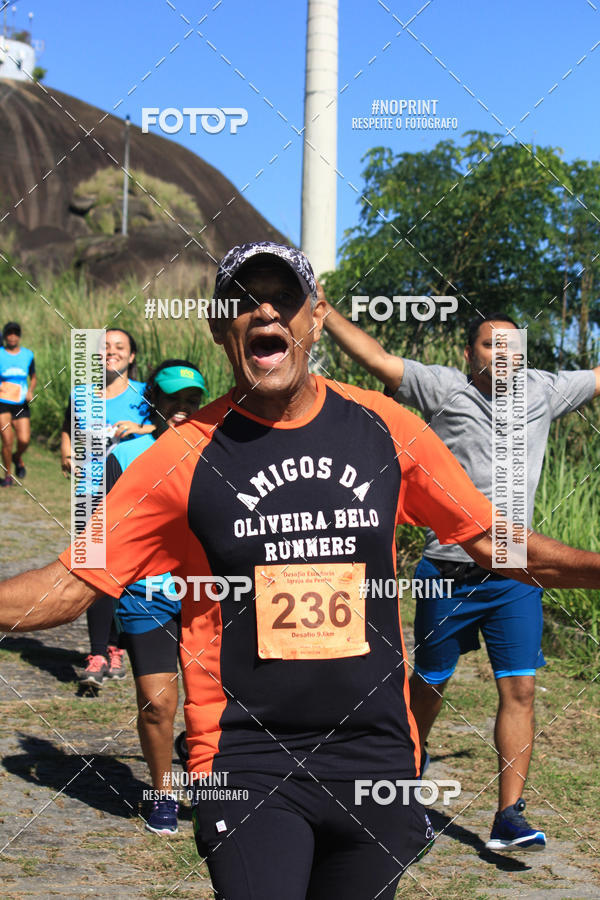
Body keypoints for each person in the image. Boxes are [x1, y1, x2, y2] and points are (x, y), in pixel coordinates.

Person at [3, 243, 600, 899]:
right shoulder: (182, 457)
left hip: (374, 756)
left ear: (316, 318)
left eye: (284, 298)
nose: (264, 312)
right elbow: (68, 585)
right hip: (245, 758)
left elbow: (489, 542)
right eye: (242, 300)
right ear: (218, 329)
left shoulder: (384, 428)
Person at [322, 301, 600, 852]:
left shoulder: (544, 391)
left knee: (519, 688)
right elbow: (376, 358)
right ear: (466, 353)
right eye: (489, 346)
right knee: (428, 687)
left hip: (515, 571)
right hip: (446, 571)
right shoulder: (441, 387)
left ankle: (509, 816)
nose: (503, 357)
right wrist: (323, 309)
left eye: (512, 348)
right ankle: (404, 787)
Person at [106, 359, 207, 835]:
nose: (184, 410)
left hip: (210, 595)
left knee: (217, 703)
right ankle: (163, 794)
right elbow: (98, 534)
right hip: (148, 594)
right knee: (157, 703)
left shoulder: (221, 452)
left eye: (193, 401)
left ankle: (207, 777)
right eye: (173, 401)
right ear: (155, 403)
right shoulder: (126, 457)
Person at [61, 327, 153, 687]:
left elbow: (167, 428)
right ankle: (98, 651)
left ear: (131, 357)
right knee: (93, 571)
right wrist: (67, 453)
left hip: (134, 493)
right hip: (89, 492)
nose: (110, 352)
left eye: (119, 347)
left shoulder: (146, 393)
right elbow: (69, 428)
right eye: (104, 347)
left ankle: (117, 645)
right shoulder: (81, 394)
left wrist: (141, 428)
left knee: (128, 573)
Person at [0, 321, 37, 486]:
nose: (12, 336)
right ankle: (8, 475)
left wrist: (30, 390)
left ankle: (17, 457)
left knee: (24, 440)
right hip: (3, 403)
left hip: (21, 403)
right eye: (9, 333)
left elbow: (33, 376)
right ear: (5, 336)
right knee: (7, 440)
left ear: (19, 336)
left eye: (15, 333)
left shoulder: (28, 355)